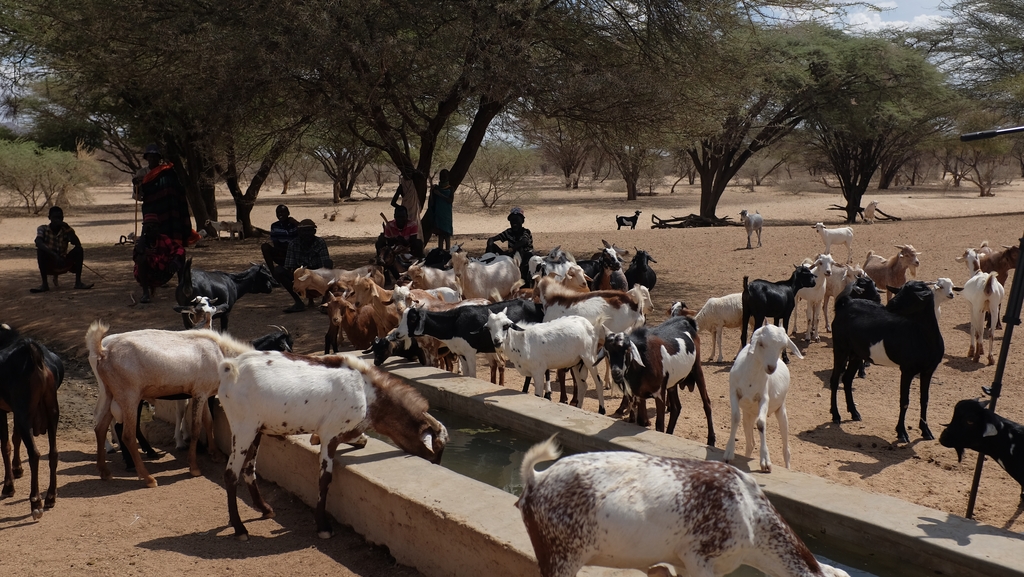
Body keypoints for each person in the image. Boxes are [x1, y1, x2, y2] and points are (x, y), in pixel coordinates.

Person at [132, 143, 192, 302]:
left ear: (159, 158)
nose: (152, 159)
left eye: (155, 156)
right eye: (149, 156)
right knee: (148, 245)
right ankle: (149, 284)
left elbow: (176, 190)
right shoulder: (141, 174)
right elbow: (138, 197)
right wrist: (137, 185)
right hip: (151, 213)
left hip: (169, 213)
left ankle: (181, 283)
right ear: (146, 158)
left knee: (174, 244)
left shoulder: (168, 172)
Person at [274, 219, 333, 313]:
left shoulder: (320, 242)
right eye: (304, 231)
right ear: (299, 232)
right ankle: (298, 302)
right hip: (299, 278)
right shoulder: (293, 244)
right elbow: (290, 267)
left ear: (314, 231)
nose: (307, 234)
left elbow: (324, 265)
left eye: (309, 230)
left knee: (329, 263)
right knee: (279, 270)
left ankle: (324, 301)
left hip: (317, 278)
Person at [30, 206, 94, 293]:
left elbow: (77, 244)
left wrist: (67, 227)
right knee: (40, 251)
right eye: (55, 218)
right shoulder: (43, 229)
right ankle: (44, 284)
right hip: (50, 264)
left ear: (63, 218)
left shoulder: (66, 230)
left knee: (79, 250)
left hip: (63, 263)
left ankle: (78, 282)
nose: (57, 220)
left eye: (59, 218)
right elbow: (38, 242)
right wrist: (54, 255)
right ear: (49, 218)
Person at [486, 206, 534, 285]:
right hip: (510, 255)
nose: (514, 223)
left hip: (525, 258)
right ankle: (487, 267)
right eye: (512, 221)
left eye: (517, 220)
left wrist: (511, 249)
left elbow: (524, 241)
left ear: (522, 221)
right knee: (492, 246)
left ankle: (522, 276)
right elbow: (493, 239)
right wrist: (490, 242)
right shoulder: (509, 232)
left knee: (521, 250)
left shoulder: (526, 231)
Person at [260, 204, 300, 271]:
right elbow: (275, 242)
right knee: (265, 246)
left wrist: (295, 222)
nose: (280, 214)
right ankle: (272, 271)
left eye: (282, 212)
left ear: (288, 213)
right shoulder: (275, 226)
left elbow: (303, 232)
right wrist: (280, 250)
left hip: (294, 250)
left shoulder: (294, 225)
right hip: (281, 250)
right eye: (278, 213)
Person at [424, 169, 454, 251]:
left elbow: (450, 200)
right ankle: (440, 253)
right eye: (441, 176)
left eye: (445, 176)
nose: (443, 178)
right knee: (440, 235)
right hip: (438, 214)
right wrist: (432, 192)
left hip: (447, 214)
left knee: (447, 235)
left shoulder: (450, 188)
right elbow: (431, 203)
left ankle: (447, 252)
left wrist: (440, 194)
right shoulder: (436, 188)